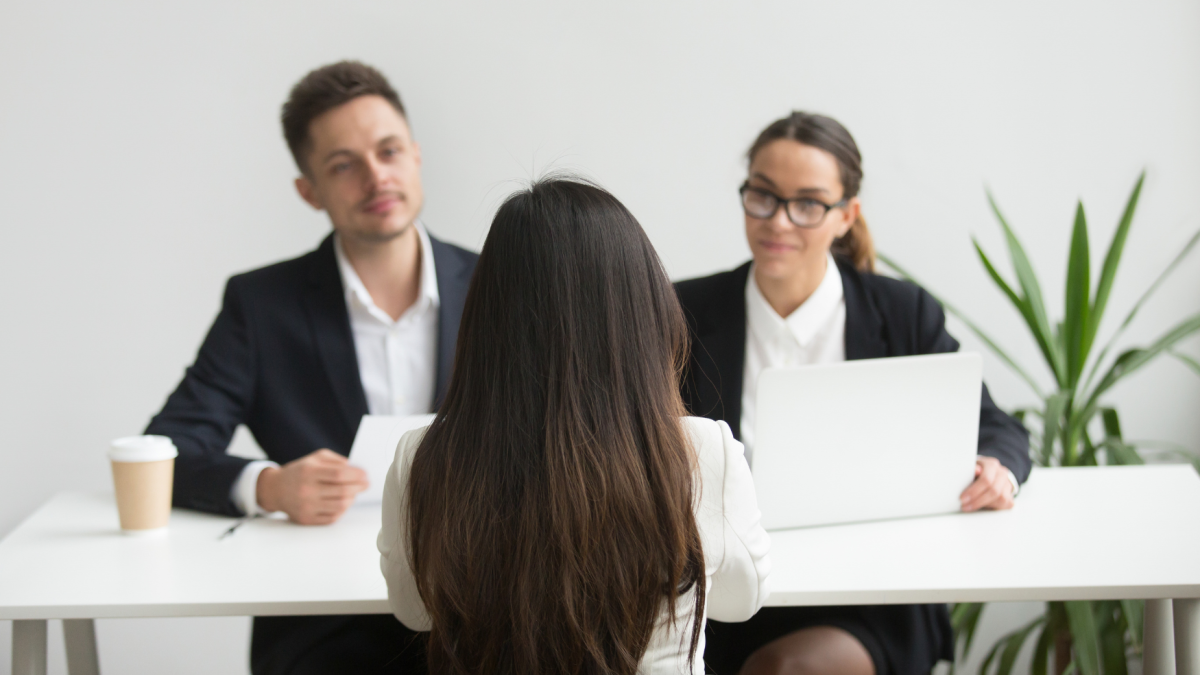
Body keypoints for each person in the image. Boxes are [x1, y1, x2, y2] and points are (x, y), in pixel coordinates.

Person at [145, 61, 477, 674]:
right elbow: (167, 450)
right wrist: (268, 487)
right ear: (309, 191)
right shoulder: (260, 305)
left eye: (389, 151)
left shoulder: (498, 284)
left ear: (416, 156)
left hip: (484, 604)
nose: (376, 176)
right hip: (323, 622)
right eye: (343, 165)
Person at [675, 112, 1032, 675]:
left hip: (872, 594)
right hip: (729, 595)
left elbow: (997, 427)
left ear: (847, 216)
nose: (780, 222)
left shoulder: (901, 313)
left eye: (809, 204)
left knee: (787, 671)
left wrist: (997, 469)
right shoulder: (687, 311)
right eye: (763, 196)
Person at [377, 178, 773, 675]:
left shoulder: (423, 456)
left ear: (486, 317)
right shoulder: (702, 452)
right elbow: (744, 600)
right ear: (643, 311)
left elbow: (413, 610)